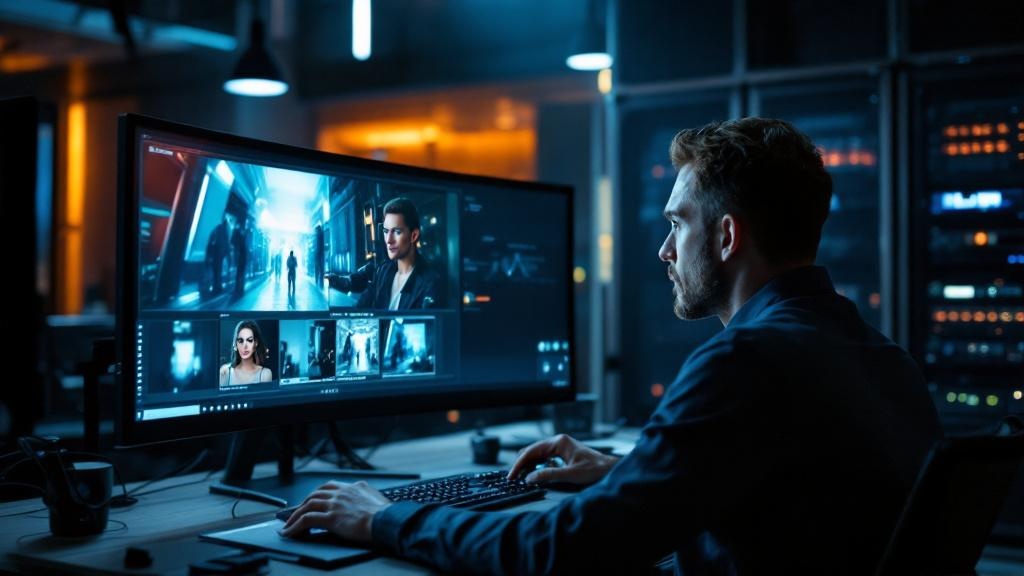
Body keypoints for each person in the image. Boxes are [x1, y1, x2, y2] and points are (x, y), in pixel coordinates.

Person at [280, 118, 942, 573]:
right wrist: (630, 475)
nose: (663, 249)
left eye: (678, 224)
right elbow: (790, 503)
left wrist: (385, 518)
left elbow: (562, 551)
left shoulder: (742, 361)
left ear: (727, 238)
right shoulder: (887, 361)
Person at [325, 197, 440, 309]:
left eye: (397, 232)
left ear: (413, 235)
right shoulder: (383, 272)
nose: (389, 240)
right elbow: (359, 311)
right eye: (386, 231)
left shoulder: (429, 283)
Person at [219, 320, 273, 386]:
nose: (245, 346)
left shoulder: (265, 374)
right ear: (235, 344)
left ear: (255, 343)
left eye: (249, 340)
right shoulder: (225, 372)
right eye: (240, 340)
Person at [206, 215, 229, 294]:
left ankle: (215, 286)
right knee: (218, 271)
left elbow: (211, 242)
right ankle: (217, 287)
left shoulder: (216, 230)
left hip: (216, 254)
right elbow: (226, 244)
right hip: (219, 255)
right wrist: (225, 253)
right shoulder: (224, 232)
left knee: (215, 271)